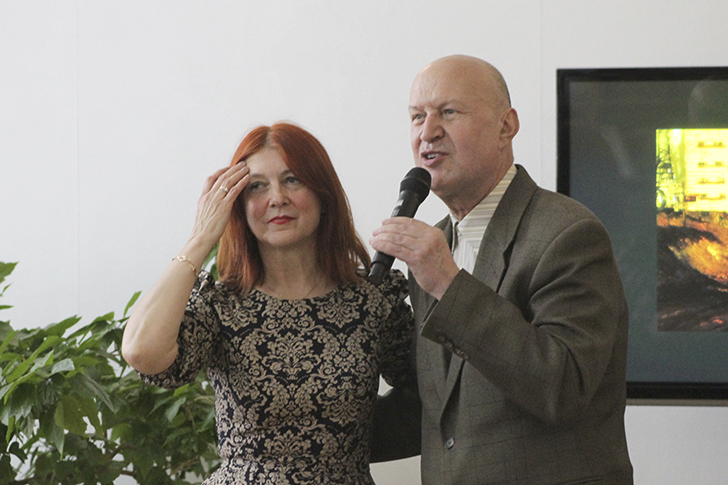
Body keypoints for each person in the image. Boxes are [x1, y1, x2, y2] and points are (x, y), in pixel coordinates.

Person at [369, 55, 634, 484]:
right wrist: (305, 430)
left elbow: (564, 388)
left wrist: (448, 283)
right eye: (417, 116)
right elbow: (440, 407)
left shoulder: (568, 234)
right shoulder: (435, 247)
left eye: (448, 112)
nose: (427, 132)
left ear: (505, 127)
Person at [121, 122, 415, 484]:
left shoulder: (372, 299)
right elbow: (141, 352)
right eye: (257, 186)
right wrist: (201, 237)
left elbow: (435, 395)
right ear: (239, 206)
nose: (277, 198)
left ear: (323, 194)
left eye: (293, 180)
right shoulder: (221, 304)